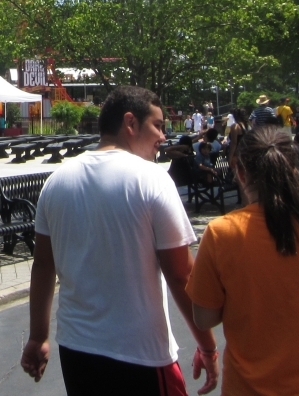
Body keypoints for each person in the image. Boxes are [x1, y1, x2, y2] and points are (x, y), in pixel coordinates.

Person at [22, 86, 219, 395]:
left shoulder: (56, 182)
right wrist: (207, 346)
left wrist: (37, 337)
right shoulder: (152, 179)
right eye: (158, 125)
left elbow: (43, 267)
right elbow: (181, 275)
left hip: (77, 352)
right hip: (142, 354)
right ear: (130, 123)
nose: (163, 137)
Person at [186, 126, 299, 395]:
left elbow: (204, 317)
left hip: (248, 388)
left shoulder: (221, 233)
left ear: (240, 173)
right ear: (294, 170)